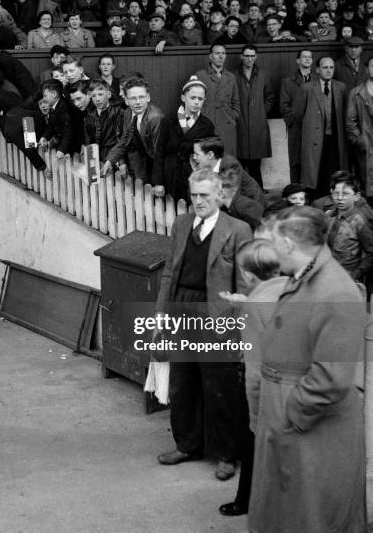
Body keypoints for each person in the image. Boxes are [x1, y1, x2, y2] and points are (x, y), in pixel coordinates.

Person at [248, 206, 366, 533]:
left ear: (289, 245)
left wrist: (292, 412)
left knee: (311, 516)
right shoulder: (305, 277)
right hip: (287, 415)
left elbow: (332, 378)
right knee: (285, 511)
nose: (269, 252)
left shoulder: (337, 291)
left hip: (310, 427)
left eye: (273, 243)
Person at [155, 168, 252, 481]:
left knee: (220, 385)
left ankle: (226, 453)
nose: (198, 201)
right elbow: (169, 271)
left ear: (219, 196)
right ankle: (187, 444)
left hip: (216, 317)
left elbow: (244, 285)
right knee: (182, 383)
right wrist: (161, 314)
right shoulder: (181, 224)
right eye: (194, 195)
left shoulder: (238, 230)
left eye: (205, 196)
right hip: (182, 310)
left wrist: (238, 329)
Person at [217, 238, 288, 517]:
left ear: (246, 274)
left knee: (251, 447)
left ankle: (247, 501)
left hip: (265, 391)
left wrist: (255, 415)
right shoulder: (292, 289)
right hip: (295, 390)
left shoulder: (254, 306)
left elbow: (256, 368)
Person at [152, 75, 216, 202]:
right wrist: (158, 182)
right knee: (171, 208)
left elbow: (210, 156)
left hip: (193, 174)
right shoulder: (169, 121)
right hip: (170, 173)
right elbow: (159, 151)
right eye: (192, 98)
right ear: (183, 98)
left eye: (200, 99)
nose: (196, 102)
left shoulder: (207, 125)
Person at [294, 56, 349, 196]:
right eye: (325, 67)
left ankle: (334, 199)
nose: (329, 70)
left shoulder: (341, 87)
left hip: (336, 138)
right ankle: (316, 200)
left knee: (335, 170)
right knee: (316, 172)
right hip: (315, 139)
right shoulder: (307, 88)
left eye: (331, 67)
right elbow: (298, 113)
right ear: (317, 70)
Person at [235, 45, 274, 189]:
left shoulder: (262, 74)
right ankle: (242, 190)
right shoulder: (233, 74)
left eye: (252, 56)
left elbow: (270, 96)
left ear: (256, 57)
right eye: (246, 56)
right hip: (240, 122)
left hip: (258, 123)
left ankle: (258, 190)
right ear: (241, 56)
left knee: (256, 162)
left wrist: (262, 111)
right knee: (240, 159)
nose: (249, 59)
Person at [325, 173, 373, 282]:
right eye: (336, 193)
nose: (340, 198)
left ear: (356, 196)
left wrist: (355, 274)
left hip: (347, 279)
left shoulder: (359, 221)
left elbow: (371, 253)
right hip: (327, 276)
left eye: (345, 193)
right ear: (331, 193)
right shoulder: (328, 216)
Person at [195, 43, 240, 157]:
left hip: (227, 124)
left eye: (223, 53)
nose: (221, 56)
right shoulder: (200, 75)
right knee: (209, 161)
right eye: (217, 53)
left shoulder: (230, 77)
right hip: (208, 124)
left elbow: (236, 102)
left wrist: (233, 117)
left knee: (227, 162)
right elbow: (193, 101)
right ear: (211, 56)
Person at [192, 136, 264, 204]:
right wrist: (196, 173)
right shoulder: (206, 165)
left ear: (210, 155)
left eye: (197, 154)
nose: (194, 157)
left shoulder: (231, 165)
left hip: (250, 205)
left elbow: (227, 198)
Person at [121, 76, 166, 182]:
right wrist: (122, 162)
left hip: (154, 164)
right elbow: (124, 139)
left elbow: (158, 153)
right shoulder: (128, 113)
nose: (138, 102)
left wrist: (158, 181)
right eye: (133, 98)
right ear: (126, 101)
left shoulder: (154, 118)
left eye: (141, 97)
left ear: (148, 97)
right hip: (137, 161)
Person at [279, 50, 314, 182]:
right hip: (296, 127)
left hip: (314, 127)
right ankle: (296, 192)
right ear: (298, 60)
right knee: (295, 161)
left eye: (309, 57)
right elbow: (284, 105)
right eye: (304, 57)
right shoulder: (288, 82)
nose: (307, 59)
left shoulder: (318, 79)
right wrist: (292, 121)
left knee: (312, 160)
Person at [346, 56, 373, 201]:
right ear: (367, 69)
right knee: (366, 182)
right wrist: (359, 139)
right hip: (366, 145)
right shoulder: (356, 93)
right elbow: (350, 121)